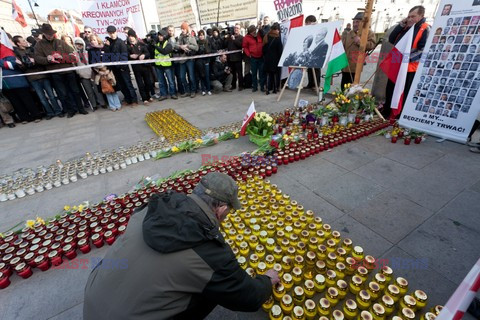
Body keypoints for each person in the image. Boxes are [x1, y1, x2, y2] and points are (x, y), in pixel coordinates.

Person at [83, 172, 279, 319]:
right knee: (213, 290)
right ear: (221, 209)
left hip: (92, 303)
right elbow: (247, 297)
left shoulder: (150, 210)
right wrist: (266, 281)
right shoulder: (207, 251)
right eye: (228, 213)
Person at [383, 6, 430, 118]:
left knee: (403, 94)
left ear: (421, 16)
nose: (409, 19)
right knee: (390, 89)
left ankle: (399, 116)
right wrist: (401, 25)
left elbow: (423, 51)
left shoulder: (425, 29)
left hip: (409, 68)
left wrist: (405, 60)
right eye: (408, 16)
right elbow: (392, 39)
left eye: (413, 16)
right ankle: (386, 113)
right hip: (397, 65)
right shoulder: (407, 27)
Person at [34, 23, 88, 118]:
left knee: (75, 91)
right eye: (48, 34)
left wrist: (62, 57)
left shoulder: (61, 42)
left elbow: (73, 56)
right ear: (44, 34)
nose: (50, 36)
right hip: (55, 73)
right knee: (63, 93)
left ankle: (81, 108)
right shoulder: (39, 45)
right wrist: (48, 59)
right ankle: (71, 110)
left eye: (51, 34)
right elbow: (37, 59)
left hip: (68, 71)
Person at [12, 35, 63, 119]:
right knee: (42, 98)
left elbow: (41, 60)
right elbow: (23, 68)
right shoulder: (17, 53)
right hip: (33, 78)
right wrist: (22, 64)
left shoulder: (32, 49)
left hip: (43, 75)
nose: (25, 42)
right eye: (23, 41)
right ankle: (50, 113)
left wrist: (35, 61)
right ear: (18, 43)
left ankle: (58, 111)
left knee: (52, 95)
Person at [1, 31, 43, 123]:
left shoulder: (8, 50)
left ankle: (36, 115)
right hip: (5, 83)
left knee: (26, 99)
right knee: (15, 102)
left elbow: (13, 65)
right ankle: (24, 117)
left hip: (16, 80)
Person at [103, 25, 138, 106]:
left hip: (123, 68)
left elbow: (124, 55)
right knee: (121, 85)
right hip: (115, 68)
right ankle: (127, 99)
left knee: (128, 84)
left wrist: (123, 67)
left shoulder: (120, 42)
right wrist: (107, 47)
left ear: (116, 32)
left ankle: (134, 100)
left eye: (113, 32)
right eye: (110, 33)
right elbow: (107, 56)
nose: (112, 34)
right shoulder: (108, 43)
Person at [341, 12, 376, 88]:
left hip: (356, 67)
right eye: (354, 22)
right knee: (343, 87)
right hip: (345, 66)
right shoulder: (349, 33)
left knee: (352, 89)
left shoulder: (369, 32)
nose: (355, 24)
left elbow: (371, 45)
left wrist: (360, 42)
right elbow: (344, 47)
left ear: (363, 23)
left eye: (357, 22)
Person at [74, 37, 106, 111]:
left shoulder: (88, 52)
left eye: (80, 44)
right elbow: (74, 66)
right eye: (77, 44)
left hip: (92, 73)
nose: (79, 46)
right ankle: (94, 105)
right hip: (83, 75)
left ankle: (102, 103)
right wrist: (78, 73)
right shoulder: (74, 54)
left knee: (97, 90)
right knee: (89, 91)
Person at [127, 30, 153, 105]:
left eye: (132, 36)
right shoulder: (128, 46)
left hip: (145, 67)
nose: (131, 38)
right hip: (136, 68)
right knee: (140, 83)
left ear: (135, 36)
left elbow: (148, 53)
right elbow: (126, 56)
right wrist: (130, 56)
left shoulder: (141, 44)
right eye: (129, 36)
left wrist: (144, 55)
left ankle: (149, 96)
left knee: (148, 82)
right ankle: (144, 98)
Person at [174, 22, 198, 98]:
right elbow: (175, 45)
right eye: (181, 29)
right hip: (182, 59)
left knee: (191, 76)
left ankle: (193, 91)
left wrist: (188, 46)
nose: (182, 30)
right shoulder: (180, 37)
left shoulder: (191, 37)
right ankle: (187, 91)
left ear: (187, 29)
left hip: (189, 59)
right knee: (182, 77)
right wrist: (181, 47)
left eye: (184, 29)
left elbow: (196, 47)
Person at [153, 30, 177, 100]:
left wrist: (155, 46)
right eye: (159, 36)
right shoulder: (157, 44)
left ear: (164, 36)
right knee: (161, 82)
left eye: (161, 35)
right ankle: (163, 94)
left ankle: (173, 93)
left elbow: (164, 52)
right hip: (158, 65)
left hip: (167, 65)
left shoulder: (168, 44)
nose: (159, 37)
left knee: (171, 81)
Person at [262, 22, 283, 95]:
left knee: (268, 74)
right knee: (274, 74)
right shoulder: (277, 38)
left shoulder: (266, 36)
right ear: (277, 29)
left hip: (267, 59)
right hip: (275, 59)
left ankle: (267, 89)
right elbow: (280, 50)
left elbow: (263, 48)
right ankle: (275, 89)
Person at [243, 25, 265, 92]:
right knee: (254, 73)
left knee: (261, 73)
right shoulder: (246, 38)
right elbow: (245, 47)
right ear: (250, 32)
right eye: (252, 32)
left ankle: (262, 87)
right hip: (253, 57)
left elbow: (263, 35)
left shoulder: (259, 35)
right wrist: (248, 54)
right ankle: (255, 87)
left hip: (261, 57)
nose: (254, 33)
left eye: (255, 31)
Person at [226, 24, 244, 91]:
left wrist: (234, 40)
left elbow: (241, 45)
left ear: (240, 29)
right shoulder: (230, 37)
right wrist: (227, 38)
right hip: (230, 58)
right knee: (232, 73)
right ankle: (233, 85)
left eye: (237, 28)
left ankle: (241, 85)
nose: (236, 29)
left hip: (238, 58)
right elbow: (226, 45)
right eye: (235, 28)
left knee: (239, 73)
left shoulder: (241, 37)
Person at [195, 30, 212, 96]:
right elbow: (196, 52)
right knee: (201, 76)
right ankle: (203, 90)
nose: (201, 36)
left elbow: (209, 51)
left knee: (207, 76)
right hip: (200, 62)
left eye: (202, 35)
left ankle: (209, 89)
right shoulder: (197, 43)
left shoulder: (207, 42)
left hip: (206, 61)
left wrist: (205, 49)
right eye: (200, 35)